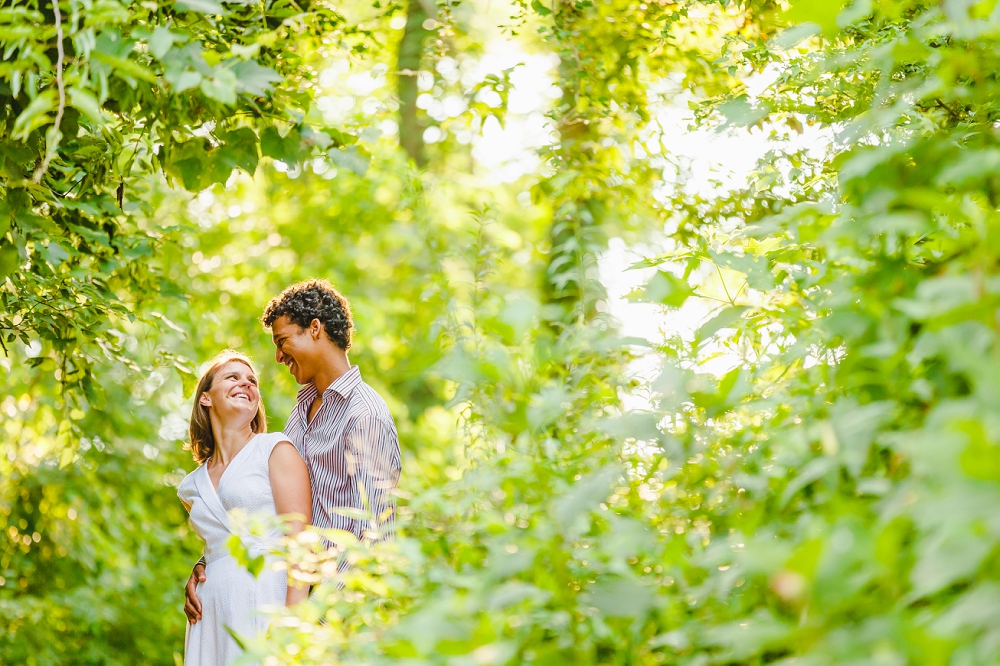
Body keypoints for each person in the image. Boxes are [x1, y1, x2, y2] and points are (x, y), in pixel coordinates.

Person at [184, 279, 401, 624]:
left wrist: (320, 614)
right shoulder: (300, 415)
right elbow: (269, 506)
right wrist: (208, 563)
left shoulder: (365, 414)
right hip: (290, 600)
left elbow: (374, 531)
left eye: (283, 341)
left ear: (315, 329)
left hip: (339, 611)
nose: (278, 356)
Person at [177, 350, 312, 665]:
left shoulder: (275, 450)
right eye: (232, 377)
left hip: (265, 600)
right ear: (206, 398)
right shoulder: (190, 486)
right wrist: (200, 567)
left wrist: (291, 631)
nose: (246, 384)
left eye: (252, 381)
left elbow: (301, 547)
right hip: (210, 618)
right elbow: (220, 543)